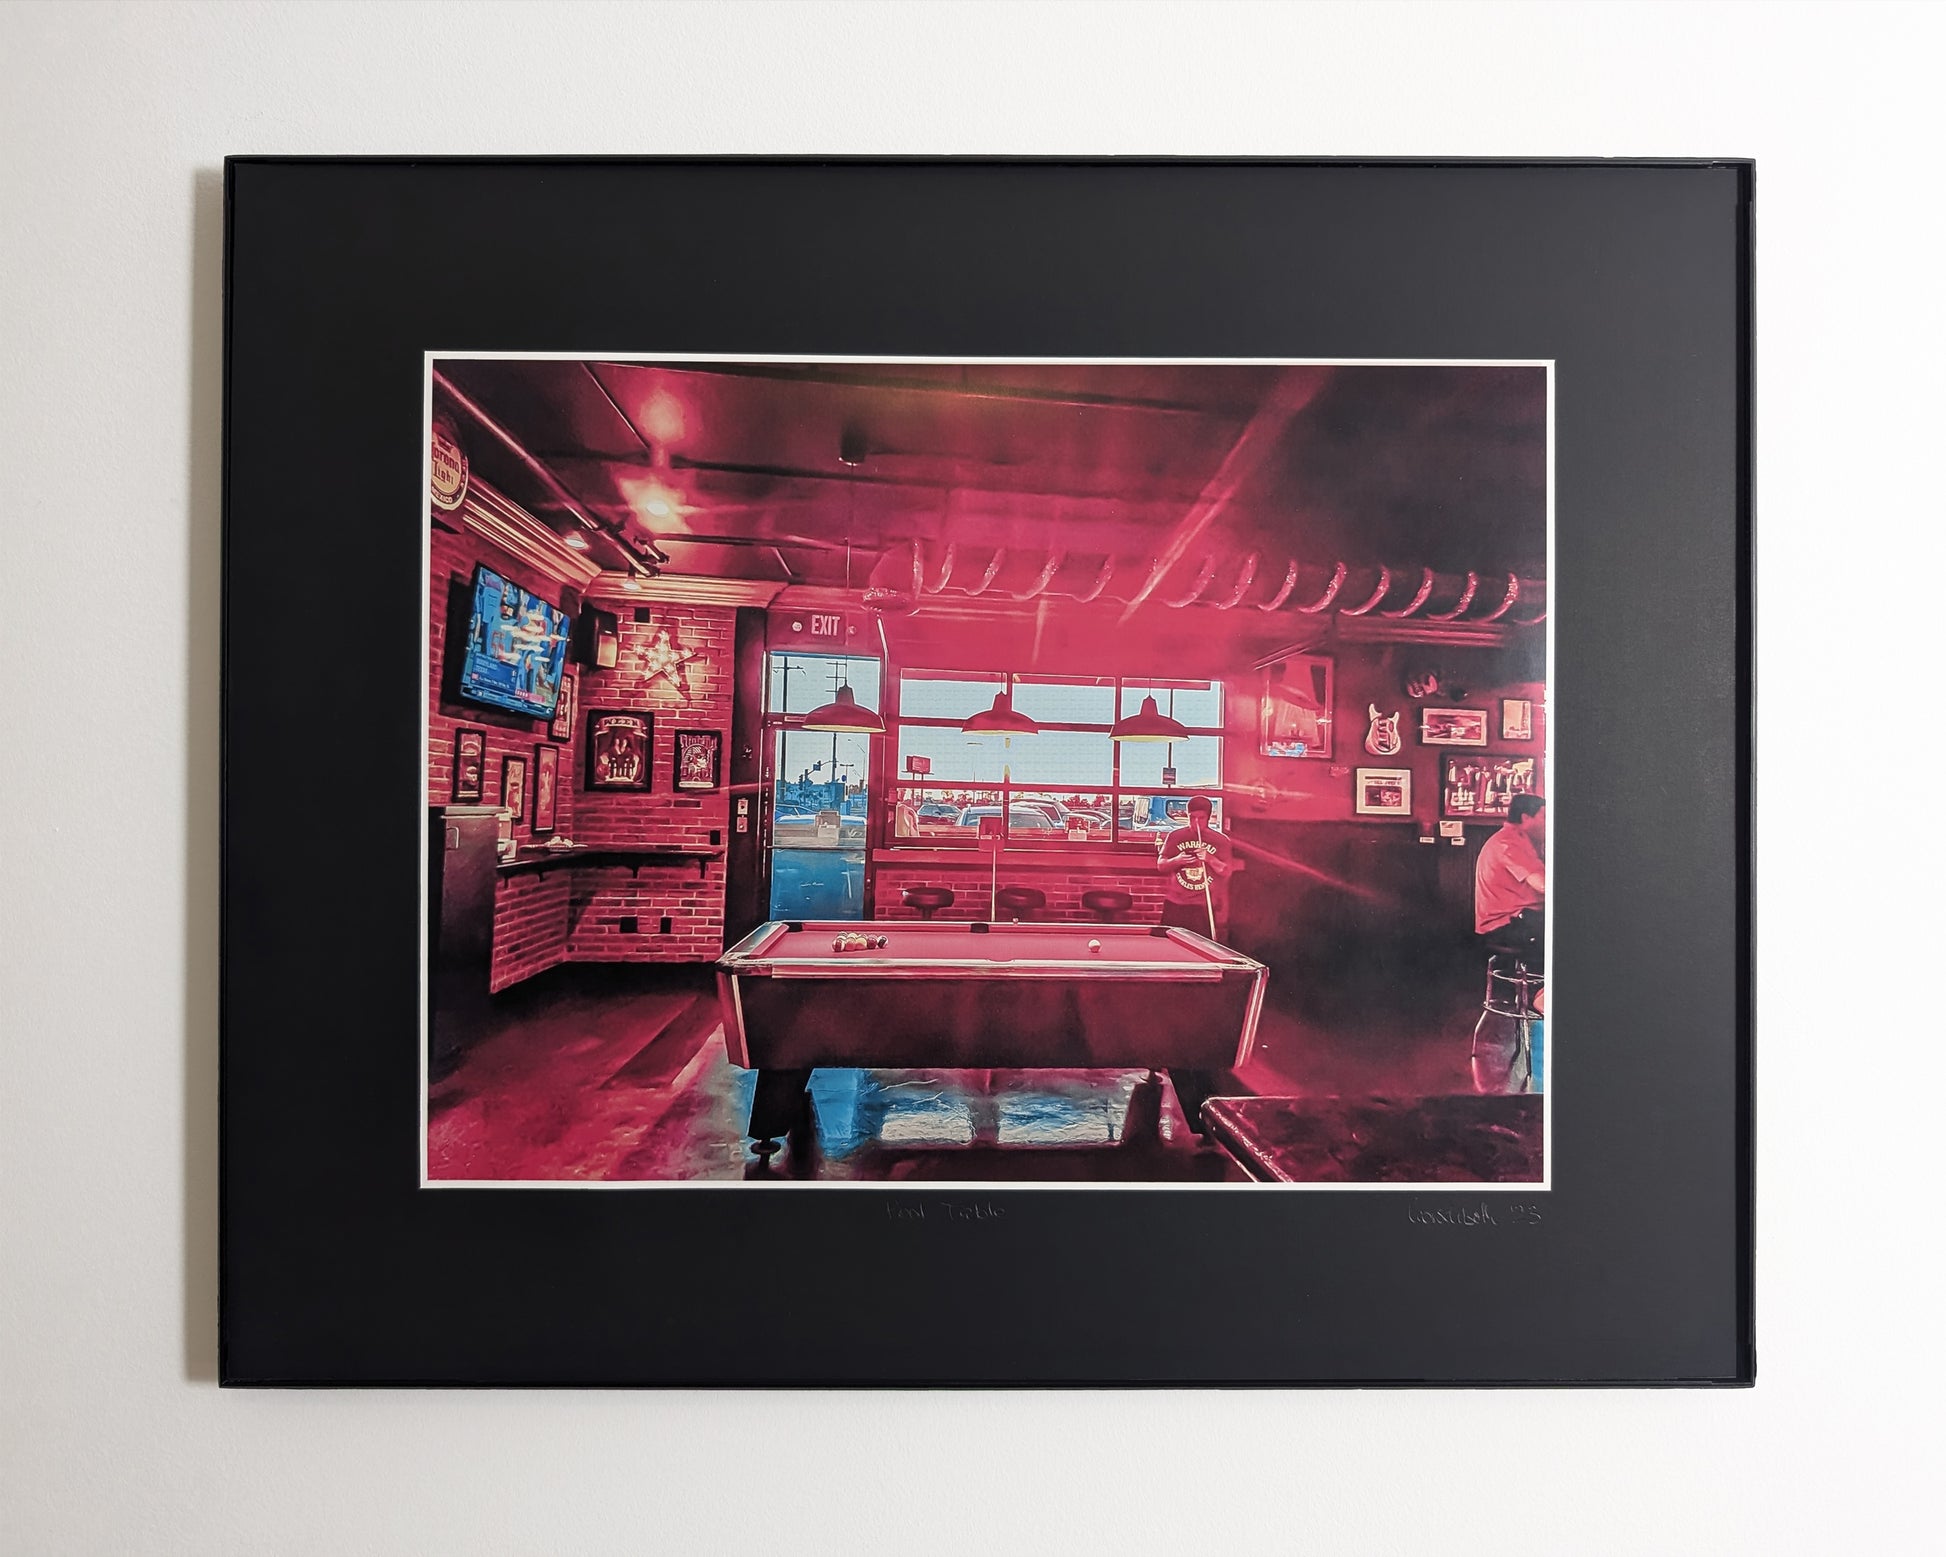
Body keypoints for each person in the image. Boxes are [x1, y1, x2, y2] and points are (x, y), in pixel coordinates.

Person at [1155, 795, 1234, 939]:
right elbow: (1161, 865)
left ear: (1209, 817)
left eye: (1201, 818)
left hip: (1203, 904)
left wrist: (1210, 858)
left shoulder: (1221, 841)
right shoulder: (1175, 836)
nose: (1196, 822)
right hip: (1176, 902)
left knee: (1202, 944)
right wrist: (1177, 860)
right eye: (1192, 817)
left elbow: (1226, 872)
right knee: (1169, 943)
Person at [1474, 792, 1546, 950]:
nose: (1549, 824)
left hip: (1519, 918)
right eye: (1544, 817)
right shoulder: (1508, 842)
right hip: (1503, 925)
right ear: (1526, 818)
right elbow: (1543, 885)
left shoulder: (1522, 840)